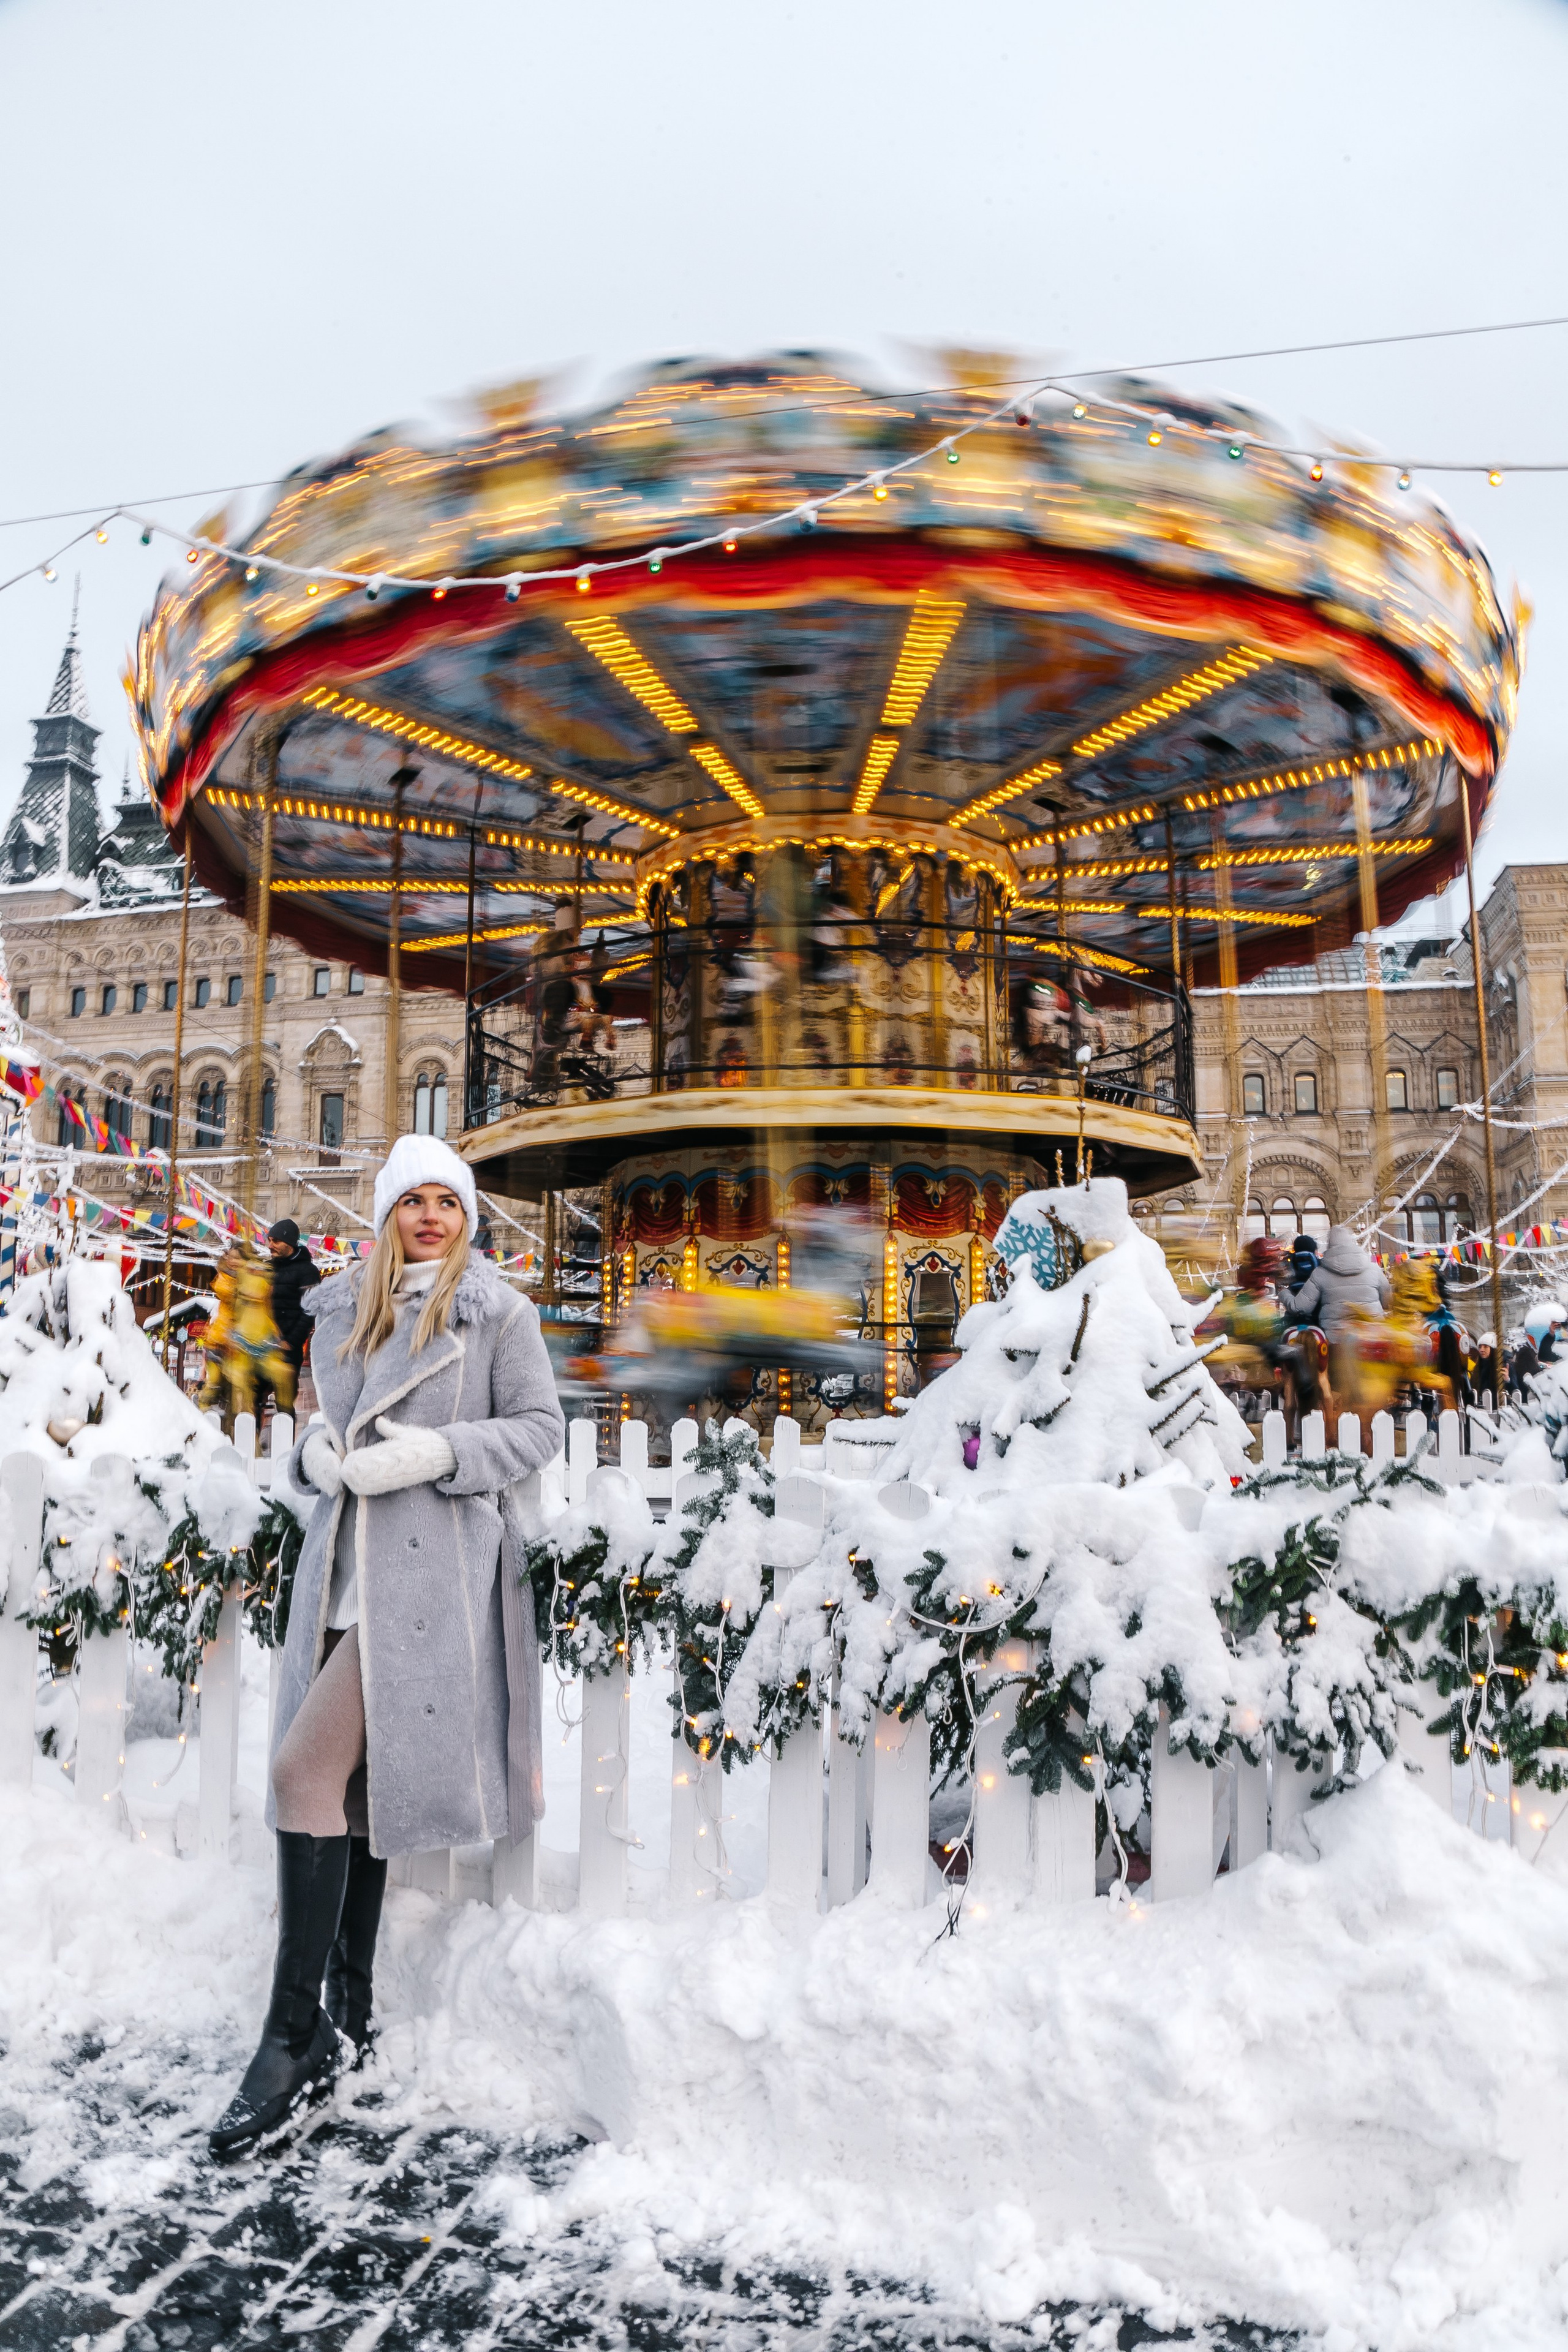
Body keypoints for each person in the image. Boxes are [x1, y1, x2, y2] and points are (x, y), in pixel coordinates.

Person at [208, 1134, 565, 2157]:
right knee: (352, 1793)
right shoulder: (345, 1312)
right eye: (411, 1202)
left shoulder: (497, 1313)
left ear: (466, 1218)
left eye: (445, 1204)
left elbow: (540, 1426)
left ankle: (292, 2035)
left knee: (298, 1774)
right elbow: (321, 1438)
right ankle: (349, 2007)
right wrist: (316, 1454)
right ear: (384, 1215)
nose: (429, 1219)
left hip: (430, 1580)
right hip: (346, 1573)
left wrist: (442, 1452)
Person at [267, 1219, 322, 1404]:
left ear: (289, 1243)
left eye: (276, 1241)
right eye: (269, 1240)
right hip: (263, 1342)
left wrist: (291, 1342)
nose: (270, 1245)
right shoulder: (268, 1269)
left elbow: (311, 1309)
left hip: (287, 1346)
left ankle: (286, 1430)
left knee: (284, 1400)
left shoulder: (308, 1271)